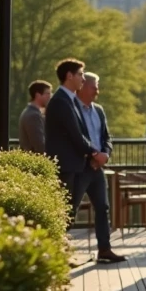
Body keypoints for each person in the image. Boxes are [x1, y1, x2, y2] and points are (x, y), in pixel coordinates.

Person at [45, 58, 103, 229]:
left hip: (72, 165)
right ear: (69, 76)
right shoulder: (61, 101)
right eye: (80, 75)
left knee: (68, 211)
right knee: (65, 212)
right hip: (66, 166)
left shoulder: (68, 99)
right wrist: (95, 153)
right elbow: (75, 135)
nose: (83, 79)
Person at [76, 73, 126, 264]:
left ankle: (104, 249)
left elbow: (106, 137)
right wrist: (92, 156)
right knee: (71, 208)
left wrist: (104, 154)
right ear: (82, 87)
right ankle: (59, 250)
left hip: (97, 168)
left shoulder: (98, 110)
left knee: (103, 208)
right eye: (94, 86)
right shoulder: (73, 110)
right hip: (82, 166)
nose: (98, 90)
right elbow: (75, 137)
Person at [19, 80, 51, 154]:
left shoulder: (31, 112)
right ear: (37, 95)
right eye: (47, 93)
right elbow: (40, 145)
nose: (50, 96)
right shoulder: (33, 115)